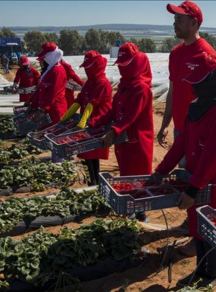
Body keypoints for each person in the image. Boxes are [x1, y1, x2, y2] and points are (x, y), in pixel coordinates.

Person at [151, 51, 216, 289]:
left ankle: (212, 273)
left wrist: (193, 189)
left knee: (212, 229)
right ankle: (200, 269)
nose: (194, 86)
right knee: (197, 227)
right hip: (195, 180)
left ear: (213, 82)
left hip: (215, 185)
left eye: (198, 81)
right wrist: (161, 170)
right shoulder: (197, 107)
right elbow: (181, 144)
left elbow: (213, 158)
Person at [159, 0, 216, 255]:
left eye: (180, 19)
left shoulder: (207, 54)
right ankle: (192, 226)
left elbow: (215, 99)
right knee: (186, 179)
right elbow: (173, 90)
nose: (175, 23)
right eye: (175, 19)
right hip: (182, 130)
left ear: (194, 23)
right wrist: (165, 123)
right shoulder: (175, 53)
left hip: (200, 133)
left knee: (199, 182)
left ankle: (200, 238)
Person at [91, 43, 154, 222]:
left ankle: (141, 214)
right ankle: (130, 209)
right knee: (127, 177)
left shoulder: (141, 88)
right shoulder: (125, 84)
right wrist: (98, 121)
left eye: (125, 64)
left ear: (135, 64)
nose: (121, 67)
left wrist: (113, 131)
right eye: (120, 64)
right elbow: (115, 110)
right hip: (124, 141)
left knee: (139, 179)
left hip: (138, 142)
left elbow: (130, 116)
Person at [60, 51, 113, 186]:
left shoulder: (102, 83)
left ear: (96, 66)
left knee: (92, 153)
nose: (87, 70)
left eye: (89, 67)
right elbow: (81, 98)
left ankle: (95, 182)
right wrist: (67, 115)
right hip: (88, 121)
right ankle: (94, 182)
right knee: (87, 154)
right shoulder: (90, 82)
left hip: (97, 122)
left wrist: (83, 121)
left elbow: (93, 102)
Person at [29, 42, 68, 163]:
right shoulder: (50, 70)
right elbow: (41, 90)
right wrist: (32, 104)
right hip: (50, 109)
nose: (43, 60)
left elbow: (53, 93)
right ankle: (56, 159)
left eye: (45, 57)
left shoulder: (57, 71)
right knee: (51, 135)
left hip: (56, 109)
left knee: (57, 136)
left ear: (51, 56)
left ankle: (60, 163)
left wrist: (42, 110)